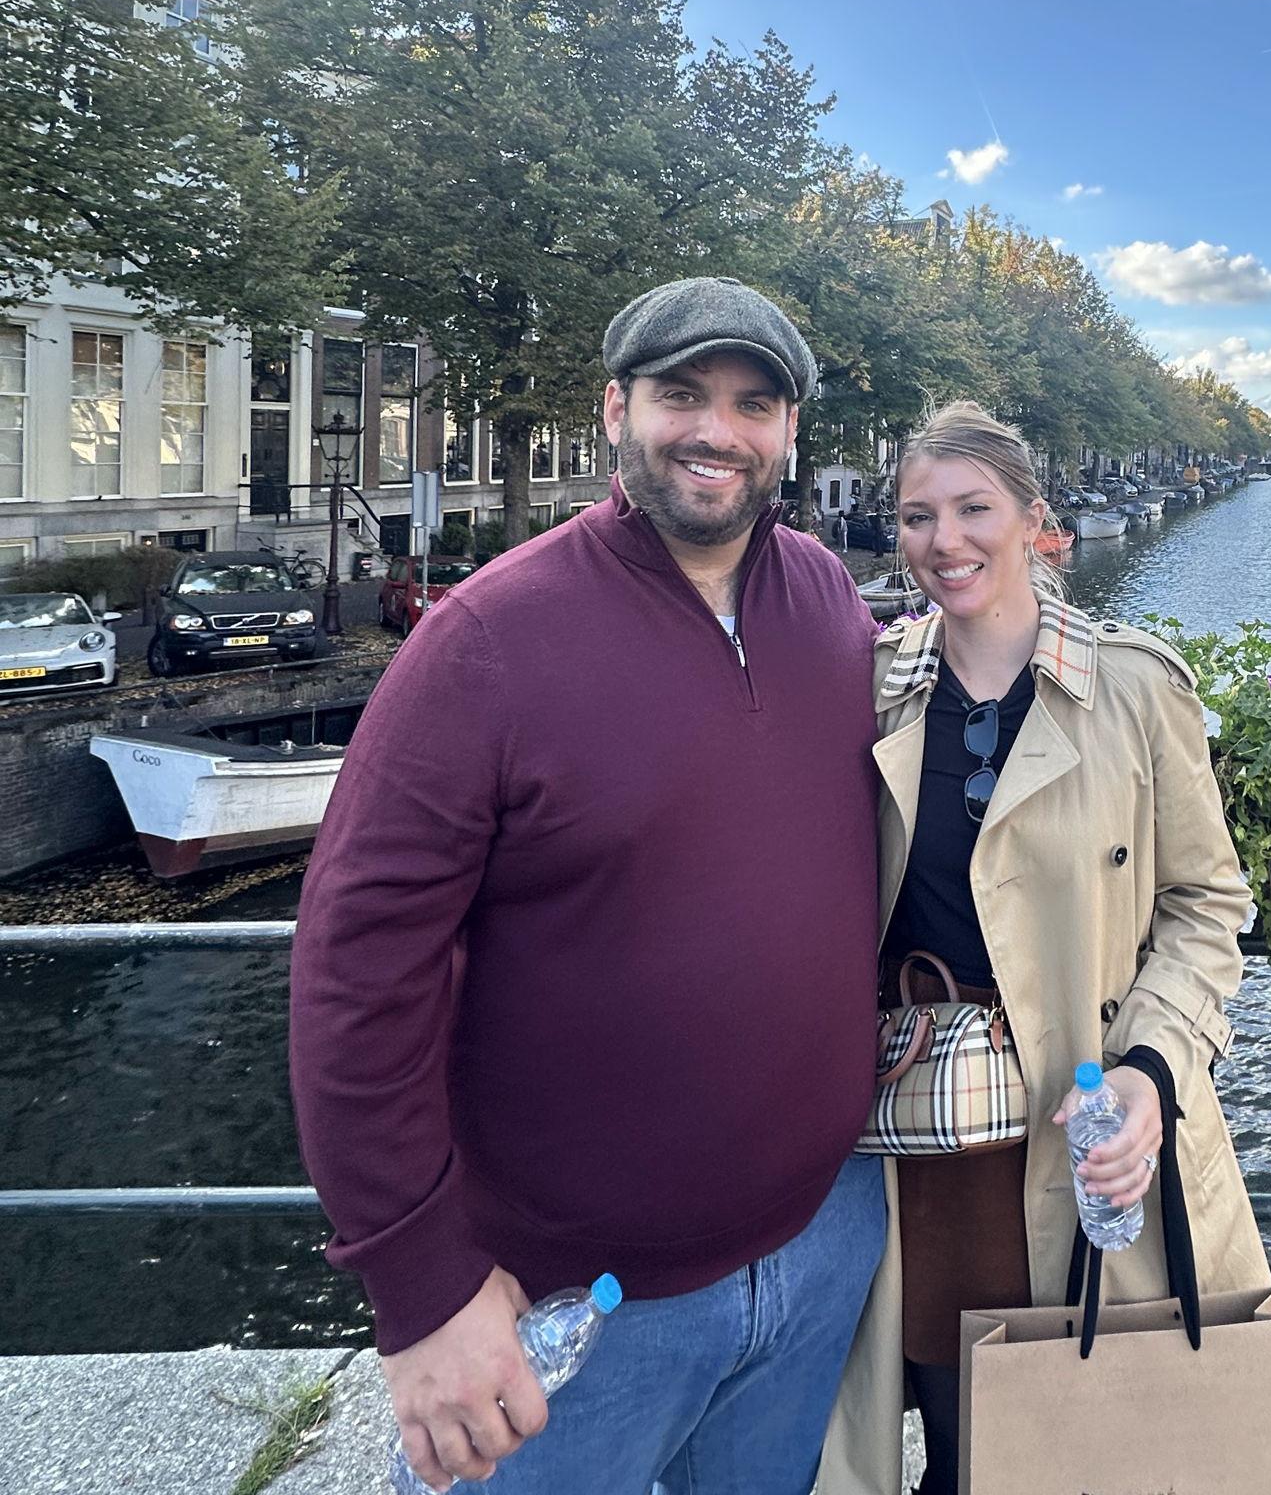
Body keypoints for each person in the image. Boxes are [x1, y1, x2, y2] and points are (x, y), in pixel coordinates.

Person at [290, 277, 886, 1494]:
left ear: (787, 433)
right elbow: (355, 973)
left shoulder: (827, 599)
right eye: (680, 394)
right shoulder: (483, 641)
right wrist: (420, 1289)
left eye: (752, 402)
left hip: (821, 1242)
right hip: (575, 1311)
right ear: (614, 406)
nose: (715, 430)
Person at [820, 403, 1270, 1495]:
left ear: (1033, 517)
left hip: (1089, 1125)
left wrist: (1152, 1067)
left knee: (1099, 1443)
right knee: (953, 1436)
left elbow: (1208, 903)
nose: (944, 540)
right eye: (916, 515)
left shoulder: (1133, 687)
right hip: (928, 1136)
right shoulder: (871, 685)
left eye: (974, 508)